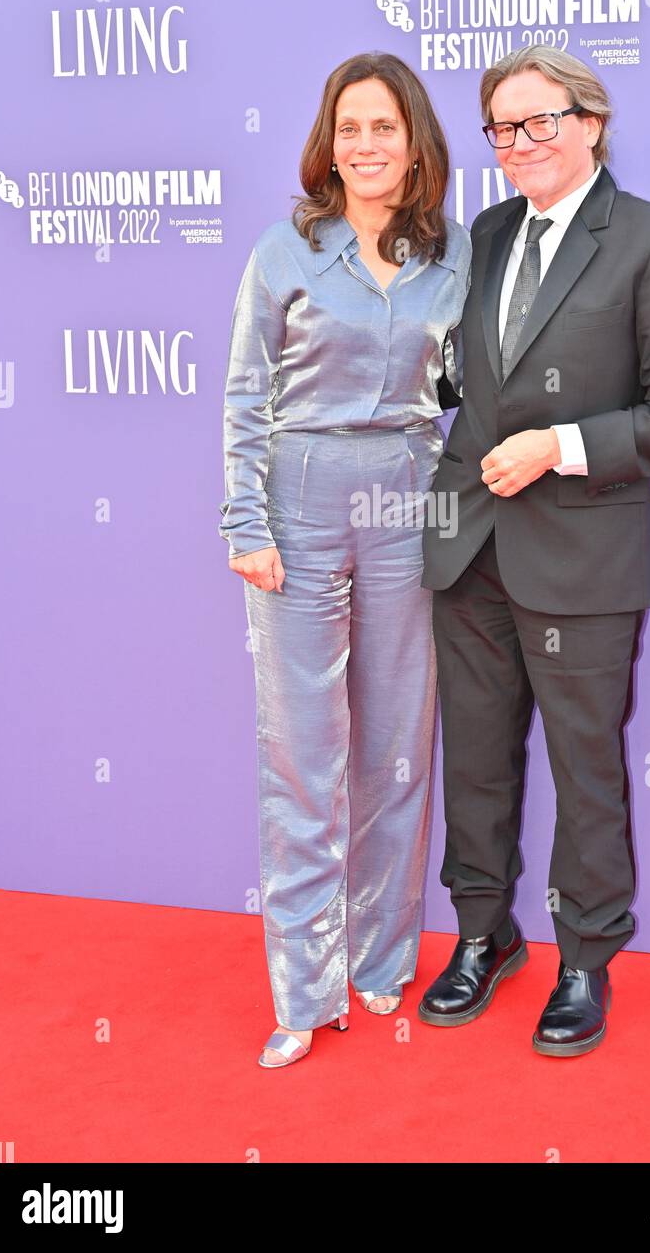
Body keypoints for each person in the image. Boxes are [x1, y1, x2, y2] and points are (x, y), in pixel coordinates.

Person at [418, 45, 650, 1056]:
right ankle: (482, 932)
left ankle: (586, 959)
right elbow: (471, 380)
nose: (519, 145)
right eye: (502, 128)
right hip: (472, 551)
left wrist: (561, 446)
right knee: (474, 762)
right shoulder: (488, 234)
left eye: (540, 121)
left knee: (586, 770)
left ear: (591, 121)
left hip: (585, 562)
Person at [218, 52, 471, 1068]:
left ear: (415, 142)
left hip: (408, 497)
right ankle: (303, 990)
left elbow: (467, 385)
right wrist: (246, 522)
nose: (367, 145)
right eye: (350, 127)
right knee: (301, 754)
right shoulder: (285, 250)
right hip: (302, 495)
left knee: (399, 745)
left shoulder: (450, 256)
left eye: (384, 127)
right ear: (331, 142)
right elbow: (244, 395)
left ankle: (379, 960)